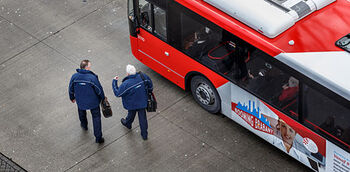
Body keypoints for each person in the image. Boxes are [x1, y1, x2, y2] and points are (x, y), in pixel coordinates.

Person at [112, 64, 153, 140]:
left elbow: (118, 93)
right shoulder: (143, 76)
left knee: (131, 113)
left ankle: (128, 123)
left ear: (127, 73)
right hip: (142, 102)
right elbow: (150, 85)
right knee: (143, 118)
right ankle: (144, 135)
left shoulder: (126, 84)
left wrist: (114, 82)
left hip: (131, 104)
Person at [68, 60, 105, 144]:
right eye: (89, 66)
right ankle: (98, 137)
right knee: (96, 118)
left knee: (81, 113)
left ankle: (84, 125)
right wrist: (102, 98)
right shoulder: (92, 78)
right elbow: (99, 90)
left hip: (80, 101)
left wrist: (72, 98)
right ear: (87, 67)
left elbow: (70, 89)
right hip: (93, 102)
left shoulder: (74, 77)